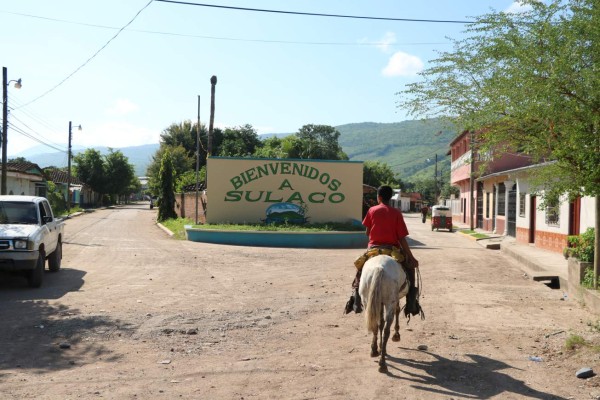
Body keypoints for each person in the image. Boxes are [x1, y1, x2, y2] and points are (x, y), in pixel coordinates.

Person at [344, 185, 423, 318]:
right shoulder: (396, 213)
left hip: (373, 249)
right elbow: (402, 237)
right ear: (390, 197)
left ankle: (356, 296)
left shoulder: (372, 210)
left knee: (360, 267)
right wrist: (411, 257)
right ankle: (411, 302)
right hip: (392, 250)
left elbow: (367, 233)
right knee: (410, 269)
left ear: (379, 197)